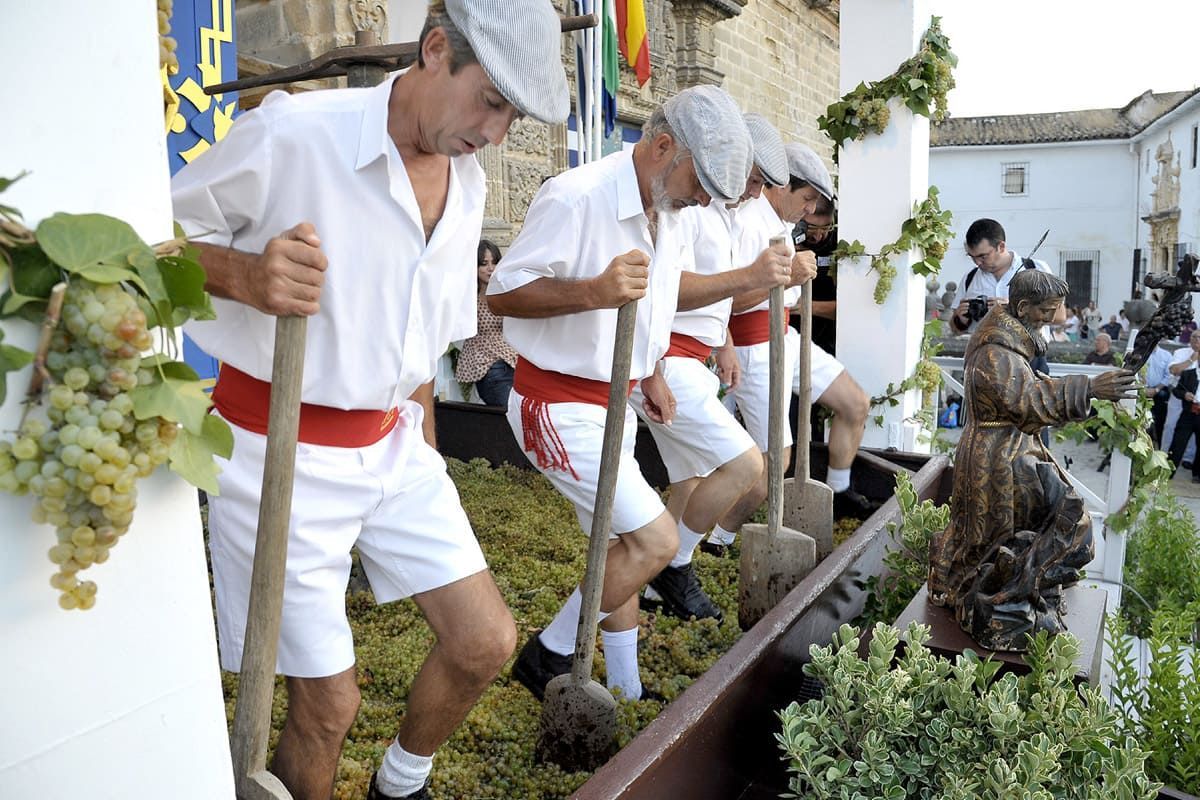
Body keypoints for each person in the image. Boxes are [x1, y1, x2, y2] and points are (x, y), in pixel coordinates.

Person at [170, 3, 570, 799]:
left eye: (514, 118)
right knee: (328, 707)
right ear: (434, 49)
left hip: (395, 443)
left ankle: (400, 784)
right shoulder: (295, 136)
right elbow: (155, 238)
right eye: (491, 101)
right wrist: (245, 275)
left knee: (485, 640)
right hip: (277, 448)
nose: (496, 132)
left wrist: (425, 458)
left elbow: (425, 341)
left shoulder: (467, 182)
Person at [488, 86, 753, 702]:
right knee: (657, 540)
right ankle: (549, 653)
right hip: (555, 404)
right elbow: (501, 295)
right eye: (701, 181)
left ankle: (626, 691)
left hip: (616, 402)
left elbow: (655, 303)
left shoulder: (670, 211)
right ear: (662, 147)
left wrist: (651, 368)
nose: (705, 199)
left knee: (621, 549)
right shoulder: (576, 196)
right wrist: (592, 291)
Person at [634, 113, 808, 621]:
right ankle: (675, 566)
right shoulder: (689, 210)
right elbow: (670, 291)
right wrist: (750, 278)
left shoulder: (727, 215)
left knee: (691, 479)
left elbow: (715, 300)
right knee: (748, 464)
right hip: (665, 358)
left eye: (760, 184)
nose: (755, 192)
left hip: (692, 356)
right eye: (752, 180)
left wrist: (724, 342)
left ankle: (652, 582)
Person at [928, 270, 1137, 650]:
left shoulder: (1009, 344)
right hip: (997, 458)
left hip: (1010, 449)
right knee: (1001, 536)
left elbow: (1028, 392)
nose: (1052, 319)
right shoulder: (996, 352)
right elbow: (1027, 402)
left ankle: (1021, 588)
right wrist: (1089, 387)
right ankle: (1001, 598)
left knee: (1027, 527)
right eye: (1046, 311)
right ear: (1023, 307)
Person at [713, 141, 874, 544]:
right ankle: (718, 538)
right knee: (774, 462)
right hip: (753, 345)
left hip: (785, 335)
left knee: (854, 403)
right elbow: (726, 301)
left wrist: (791, 283)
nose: (810, 209)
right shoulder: (747, 221)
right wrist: (786, 279)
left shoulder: (781, 223)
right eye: (806, 199)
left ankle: (838, 492)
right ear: (782, 186)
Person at [948, 219, 1060, 338]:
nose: (977, 262)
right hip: (979, 348)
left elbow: (1059, 316)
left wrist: (1013, 309)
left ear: (1001, 246)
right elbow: (954, 329)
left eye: (983, 256)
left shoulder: (1036, 269)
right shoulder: (970, 277)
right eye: (972, 257)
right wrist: (960, 320)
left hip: (1025, 348)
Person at [455, 239, 518, 405]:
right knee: (506, 411)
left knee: (516, 413)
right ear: (474, 266)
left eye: (494, 262)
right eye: (484, 264)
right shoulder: (467, 299)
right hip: (487, 366)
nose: (490, 268)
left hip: (513, 363)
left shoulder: (505, 294)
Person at [792, 193, 838, 355]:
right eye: (811, 228)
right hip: (791, 337)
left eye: (826, 228)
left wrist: (804, 306)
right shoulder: (784, 236)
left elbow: (847, 309)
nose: (818, 236)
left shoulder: (839, 241)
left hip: (828, 341)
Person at [1167, 330, 1200, 481]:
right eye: (1194, 337)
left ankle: (1194, 469)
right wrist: (1191, 359)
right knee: (1172, 430)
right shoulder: (1181, 353)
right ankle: (1167, 467)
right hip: (1181, 400)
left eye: (1199, 337)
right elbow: (1174, 371)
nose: (1197, 340)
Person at [1143, 340, 1176, 448]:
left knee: (1160, 421)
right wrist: (1143, 388)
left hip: (1159, 391)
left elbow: (1169, 375)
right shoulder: (1140, 353)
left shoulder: (1166, 355)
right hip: (1141, 391)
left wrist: (1156, 389)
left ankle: (1160, 447)